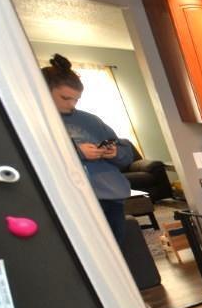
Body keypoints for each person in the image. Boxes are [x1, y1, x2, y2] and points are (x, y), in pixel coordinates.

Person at [41, 54, 134, 242]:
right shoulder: (35, 120)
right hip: (72, 202)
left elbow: (125, 155)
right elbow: (38, 159)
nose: (72, 105)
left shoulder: (90, 120)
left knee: (118, 256)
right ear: (44, 90)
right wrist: (78, 153)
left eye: (76, 99)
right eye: (65, 98)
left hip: (110, 198)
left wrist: (115, 152)